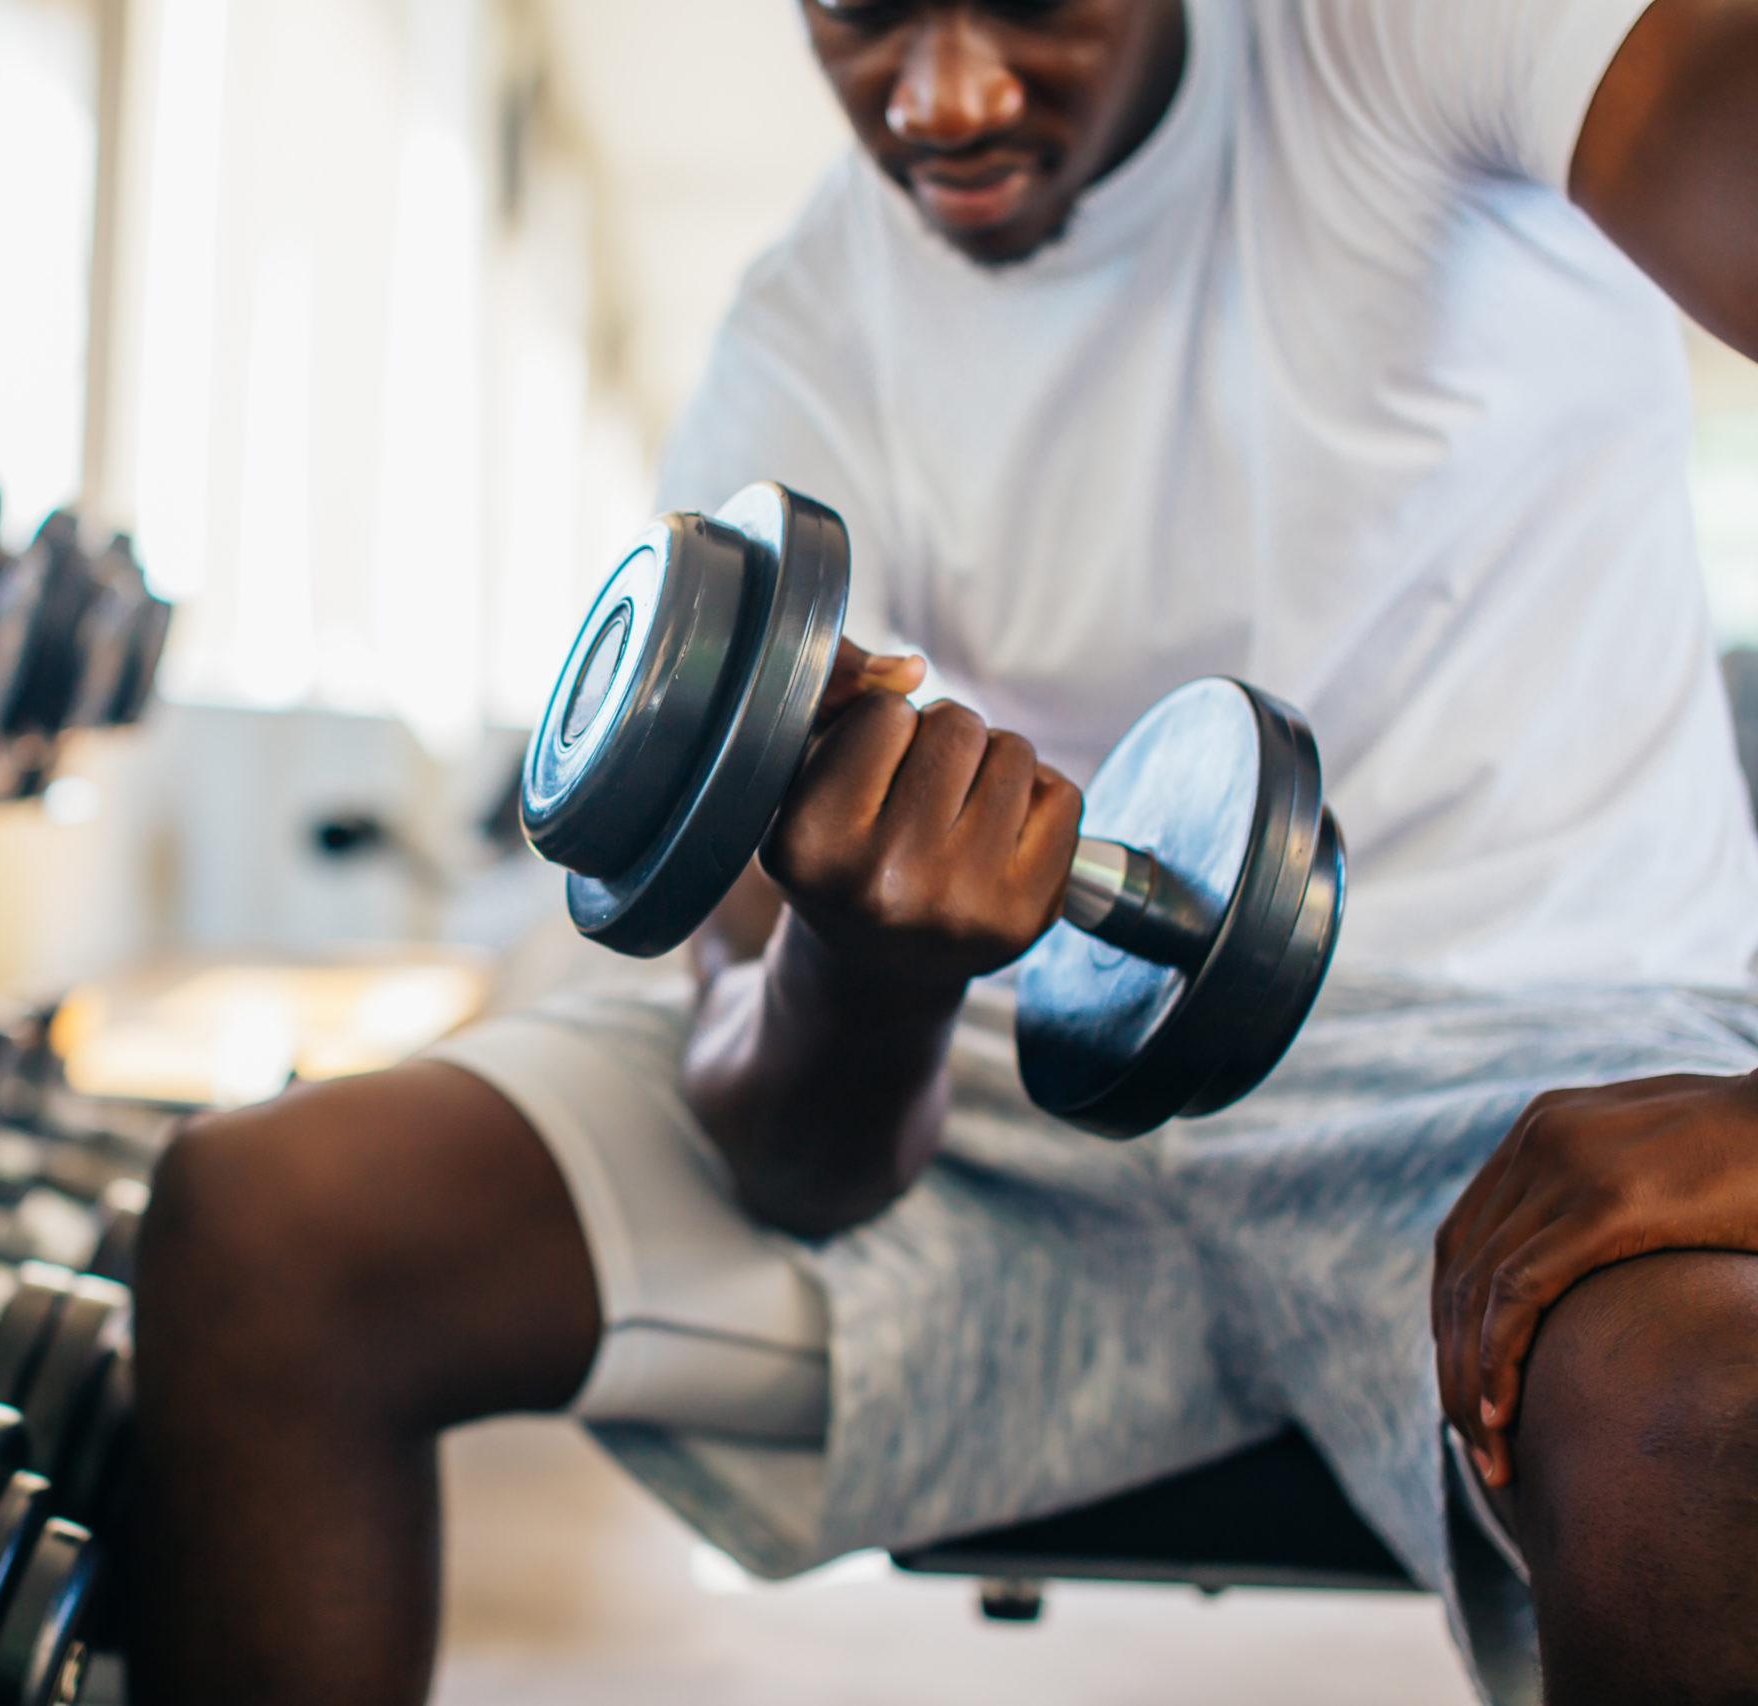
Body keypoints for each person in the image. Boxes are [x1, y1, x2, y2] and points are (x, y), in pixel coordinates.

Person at [123, 3, 1758, 1702]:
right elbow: (795, 1156)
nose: (946, 96)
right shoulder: (807, 345)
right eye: (863, 8)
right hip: (998, 1098)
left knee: (1711, 1412)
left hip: (1532, 1058)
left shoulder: (1433, 34)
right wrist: (871, 973)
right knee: (270, 1225)